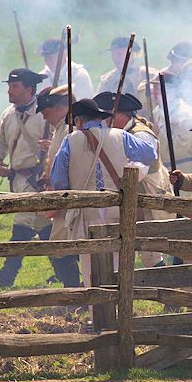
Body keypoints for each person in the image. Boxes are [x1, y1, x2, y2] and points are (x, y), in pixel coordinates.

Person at [49, 98, 157, 286]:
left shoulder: (70, 140)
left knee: (89, 269)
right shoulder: (120, 136)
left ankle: (97, 313)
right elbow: (149, 155)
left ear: (79, 120)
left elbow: (58, 181)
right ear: (100, 118)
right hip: (117, 211)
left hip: (85, 212)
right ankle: (114, 312)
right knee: (117, 267)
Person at [0, 69, 52, 288]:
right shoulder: (8, 114)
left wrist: (50, 148)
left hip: (38, 179)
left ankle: (8, 273)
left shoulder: (45, 115)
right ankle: (68, 273)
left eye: (15, 86)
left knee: (22, 225)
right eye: (10, 86)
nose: (10, 90)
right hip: (18, 180)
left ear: (29, 89)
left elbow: (63, 141)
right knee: (45, 227)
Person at [94, 92, 172, 267]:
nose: (105, 121)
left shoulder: (141, 135)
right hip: (135, 198)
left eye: (108, 116)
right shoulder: (121, 133)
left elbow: (138, 171)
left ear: (121, 115)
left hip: (148, 198)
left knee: (151, 253)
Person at [35, 85, 81, 287]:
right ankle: (75, 291)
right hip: (60, 196)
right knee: (61, 247)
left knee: (62, 249)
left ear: (61, 108)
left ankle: (75, 292)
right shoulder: (61, 130)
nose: (45, 118)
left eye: (47, 113)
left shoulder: (71, 130)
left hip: (68, 197)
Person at [148, 72, 192, 172]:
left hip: (183, 170)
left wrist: (159, 133)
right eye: (154, 89)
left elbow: (180, 149)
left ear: (170, 91)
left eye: (157, 89)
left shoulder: (184, 115)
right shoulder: (157, 111)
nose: (154, 93)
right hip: (165, 170)